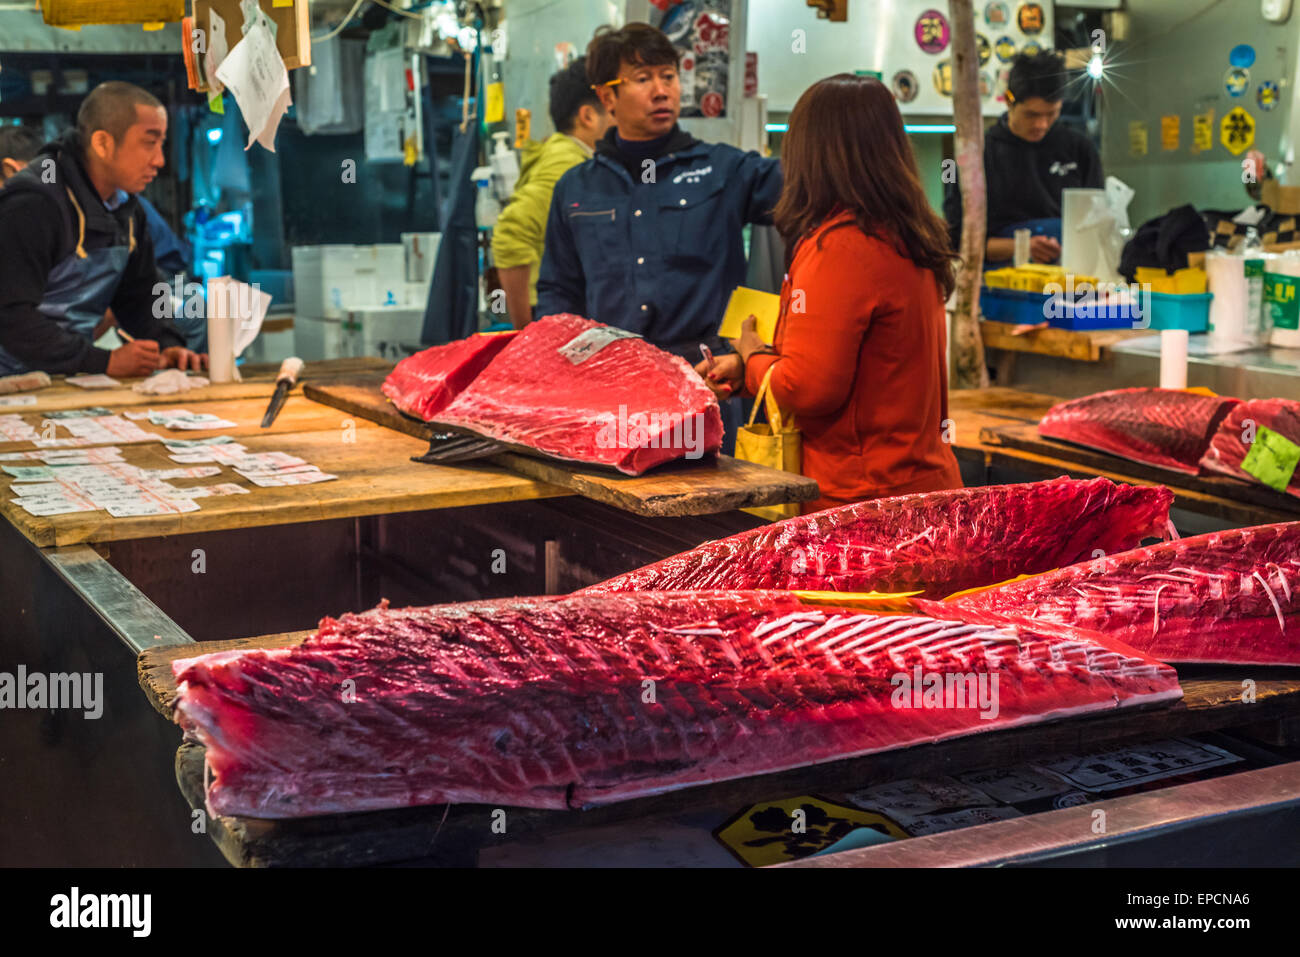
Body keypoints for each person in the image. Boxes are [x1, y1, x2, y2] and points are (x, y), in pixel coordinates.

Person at [701, 75, 962, 514]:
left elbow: (808, 389)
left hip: (861, 507)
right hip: (920, 491)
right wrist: (748, 367)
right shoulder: (909, 232)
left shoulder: (841, 247)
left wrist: (752, 352)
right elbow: (844, 365)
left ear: (809, 153)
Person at [536, 22, 782, 428]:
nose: (661, 90)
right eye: (643, 79)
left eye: (668, 76)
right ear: (606, 96)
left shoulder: (723, 170)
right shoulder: (575, 189)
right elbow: (559, 291)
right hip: (611, 392)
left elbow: (812, 200)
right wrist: (559, 374)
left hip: (706, 386)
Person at [0, 82, 204, 377]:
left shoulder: (128, 209)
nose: (160, 160)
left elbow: (141, 291)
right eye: (149, 142)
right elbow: (10, 314)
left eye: (162, 143)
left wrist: (166, 341)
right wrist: (104, 362)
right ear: (103, 144)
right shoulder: (34, 204)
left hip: (64, 379)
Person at [943, 52, 1103, 268]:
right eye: (1031, 115)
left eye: (1051, 114)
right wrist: (1020, 246)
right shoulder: (970, 157)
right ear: (1009, 100)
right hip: (998, 285)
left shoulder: (1081, 149)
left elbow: (1098, 224)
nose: (1041, 125)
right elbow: (956, 239)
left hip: (1069, 280)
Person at [492, 58, 613, 329]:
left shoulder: (562, 151)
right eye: (614, 111)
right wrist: (525, 329)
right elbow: (510, 233)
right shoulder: (568, 164)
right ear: (588, 117)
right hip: (548, 312)